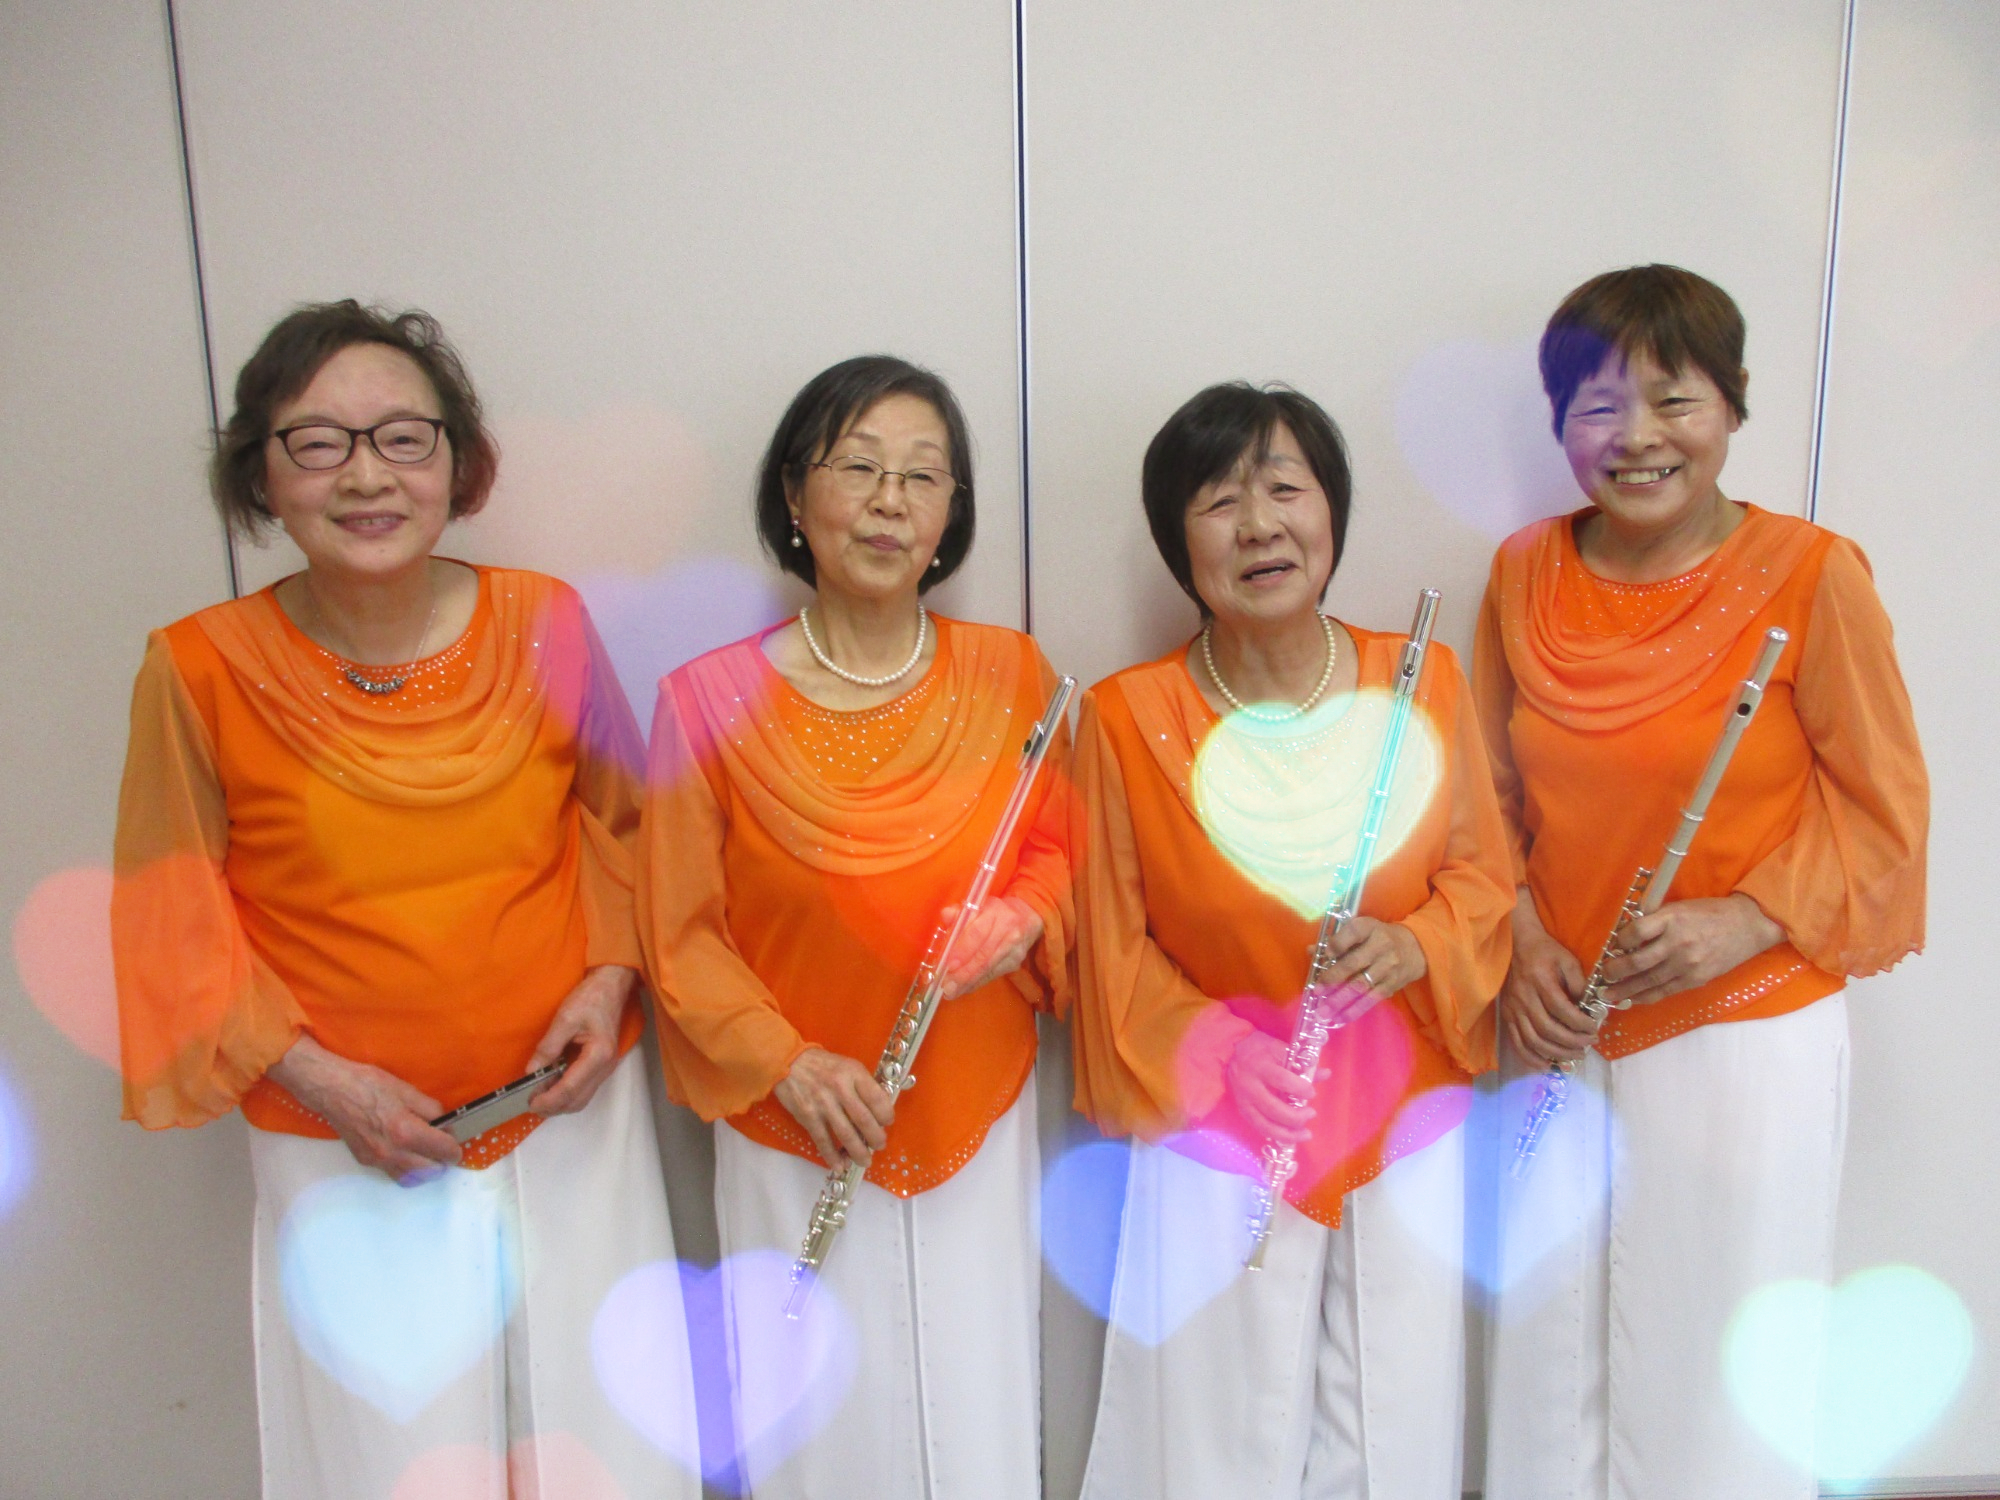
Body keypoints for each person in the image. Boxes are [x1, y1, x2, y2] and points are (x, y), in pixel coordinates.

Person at [110, 301, 697, 1500]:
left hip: (568, 1111)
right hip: (346, 1142)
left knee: (608, 1444)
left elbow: (630, 829)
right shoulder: (197, 667)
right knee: (397, 1464)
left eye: (401, 437)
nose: (366, 475)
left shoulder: (546, 620)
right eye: (318, 442)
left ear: (455, 461)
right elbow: (172, 917)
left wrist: (608, 983)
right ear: (261, 476)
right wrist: (327, 1085)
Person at [1476, 264, 1929, 1500]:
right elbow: (1483, 802)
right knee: (1550, 1351)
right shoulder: (1521, 570)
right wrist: (1518, 938)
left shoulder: (1811, 573)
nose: (1635, 437)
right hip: (1560, 1022)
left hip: (1740, 1027)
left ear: (1730, 405)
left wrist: (1746, 917)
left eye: (1672, 399)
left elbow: (1883, 811)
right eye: (1596, 406)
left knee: (1718, 1347)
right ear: (1559, 423)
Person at [1069, 383, 1514, 1498]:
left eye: (1284, 489)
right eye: (1220, 502)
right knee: (1217, 1438)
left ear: (1331, 511)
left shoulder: (1420, 678)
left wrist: (1418, 944)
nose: (1259, 525)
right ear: (1179, 541)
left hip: (1401, 1110)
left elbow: (1481, 878)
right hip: (1223, 1121)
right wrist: (1225, 1053)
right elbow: (1112, 948)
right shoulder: (1124, 717)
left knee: (1393, 1425)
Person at [639, 355, 1071, 1499]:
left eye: (923, 476)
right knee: (818, 1430)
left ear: (949, 513)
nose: (890, 501)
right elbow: (677, 934)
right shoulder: (701, 702)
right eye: (858, 468)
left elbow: (1065, 848)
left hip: (968, 1106)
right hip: (796, 1120)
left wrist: (1026, 914)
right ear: (795, 493)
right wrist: (790, 1067)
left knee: (975, 1411)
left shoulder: (1013, 674)